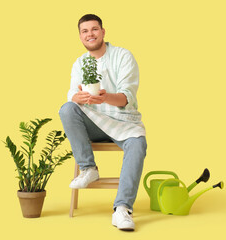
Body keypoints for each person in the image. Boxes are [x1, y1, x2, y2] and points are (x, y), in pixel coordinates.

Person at [59, 14, 147, 231]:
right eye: (85, 31)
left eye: (94, 29)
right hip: (93, 123)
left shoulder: (123, 56)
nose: (90, 34)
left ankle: (122, 209)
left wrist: (105, 97)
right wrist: (75, 97)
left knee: (138, 144)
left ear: (103, 31)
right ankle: (88, 168)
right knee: (67, 108)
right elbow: (72, 92)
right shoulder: (80, 63)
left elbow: (127, 96)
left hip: (123, 121)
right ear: (80, 36)